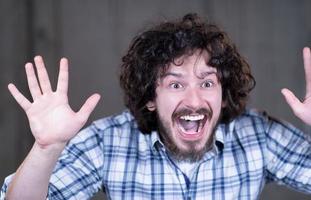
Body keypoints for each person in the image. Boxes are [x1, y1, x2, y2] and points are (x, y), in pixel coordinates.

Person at [1, 13, 311, 199]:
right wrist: (47, 148)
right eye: (176, 84)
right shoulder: (108, 141)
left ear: (222, 91)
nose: (193, 101)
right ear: (150, 96)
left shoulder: (258, 135)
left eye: (207, 83)